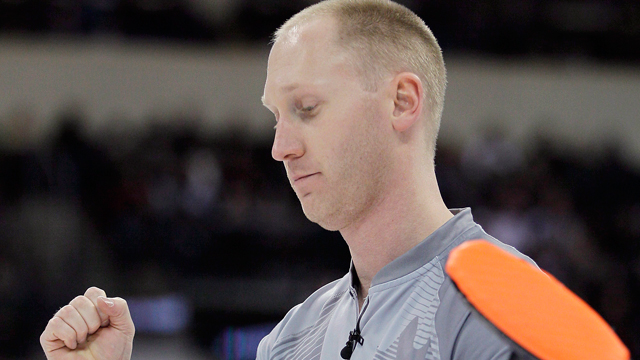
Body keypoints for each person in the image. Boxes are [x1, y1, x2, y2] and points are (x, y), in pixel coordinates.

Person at [40, 1, 533, 359]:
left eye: (306, 108)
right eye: (277, 116)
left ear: (402, 102)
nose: (280, 148)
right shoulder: (291, 338)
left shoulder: (506, 309)